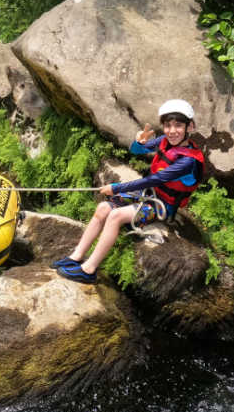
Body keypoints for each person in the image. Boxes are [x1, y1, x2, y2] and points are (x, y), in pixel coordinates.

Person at [54, 99, 206, 284]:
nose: (172, 130)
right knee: (103, 208)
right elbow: (136, 150)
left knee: (115, 216)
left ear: (190, 126)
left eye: (178, 125)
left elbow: (155, 179)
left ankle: (89, 269)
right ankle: (76, 257)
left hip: (162, 206)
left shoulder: (188, 161)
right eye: (167, 125)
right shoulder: (165, 141)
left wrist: (115, 188)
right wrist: (139, 142)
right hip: (148, 194)